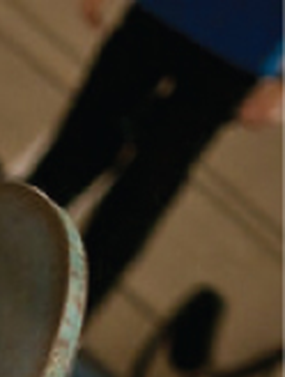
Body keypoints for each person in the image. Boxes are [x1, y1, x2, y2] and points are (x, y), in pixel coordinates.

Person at [25, 0, 283, 314]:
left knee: (141, 196)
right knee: (71, 157)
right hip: (159, 14)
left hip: (241, 51)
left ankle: (59, 333)